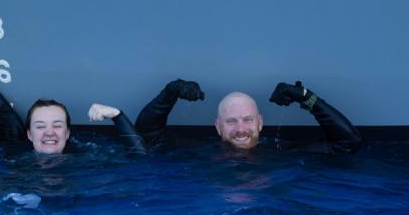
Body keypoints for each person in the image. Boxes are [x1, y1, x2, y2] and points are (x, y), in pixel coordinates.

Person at [135, 78, 361, 154]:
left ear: (260, 123)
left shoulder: (281, 153)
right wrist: (169, 92)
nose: (241, 129)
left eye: (248, 119)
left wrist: (306, 97)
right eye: (231, 121)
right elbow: (148, 136)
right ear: (218, 127)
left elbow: (347, 143)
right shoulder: (199, 153)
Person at [0, 83, 145, 155]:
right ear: (29, 134)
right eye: (40, 126)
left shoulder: (87, 159)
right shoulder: (15, 160)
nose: (49, 133)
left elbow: (141, 160)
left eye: (57, 125)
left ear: (67, 133)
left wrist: (116, 115)